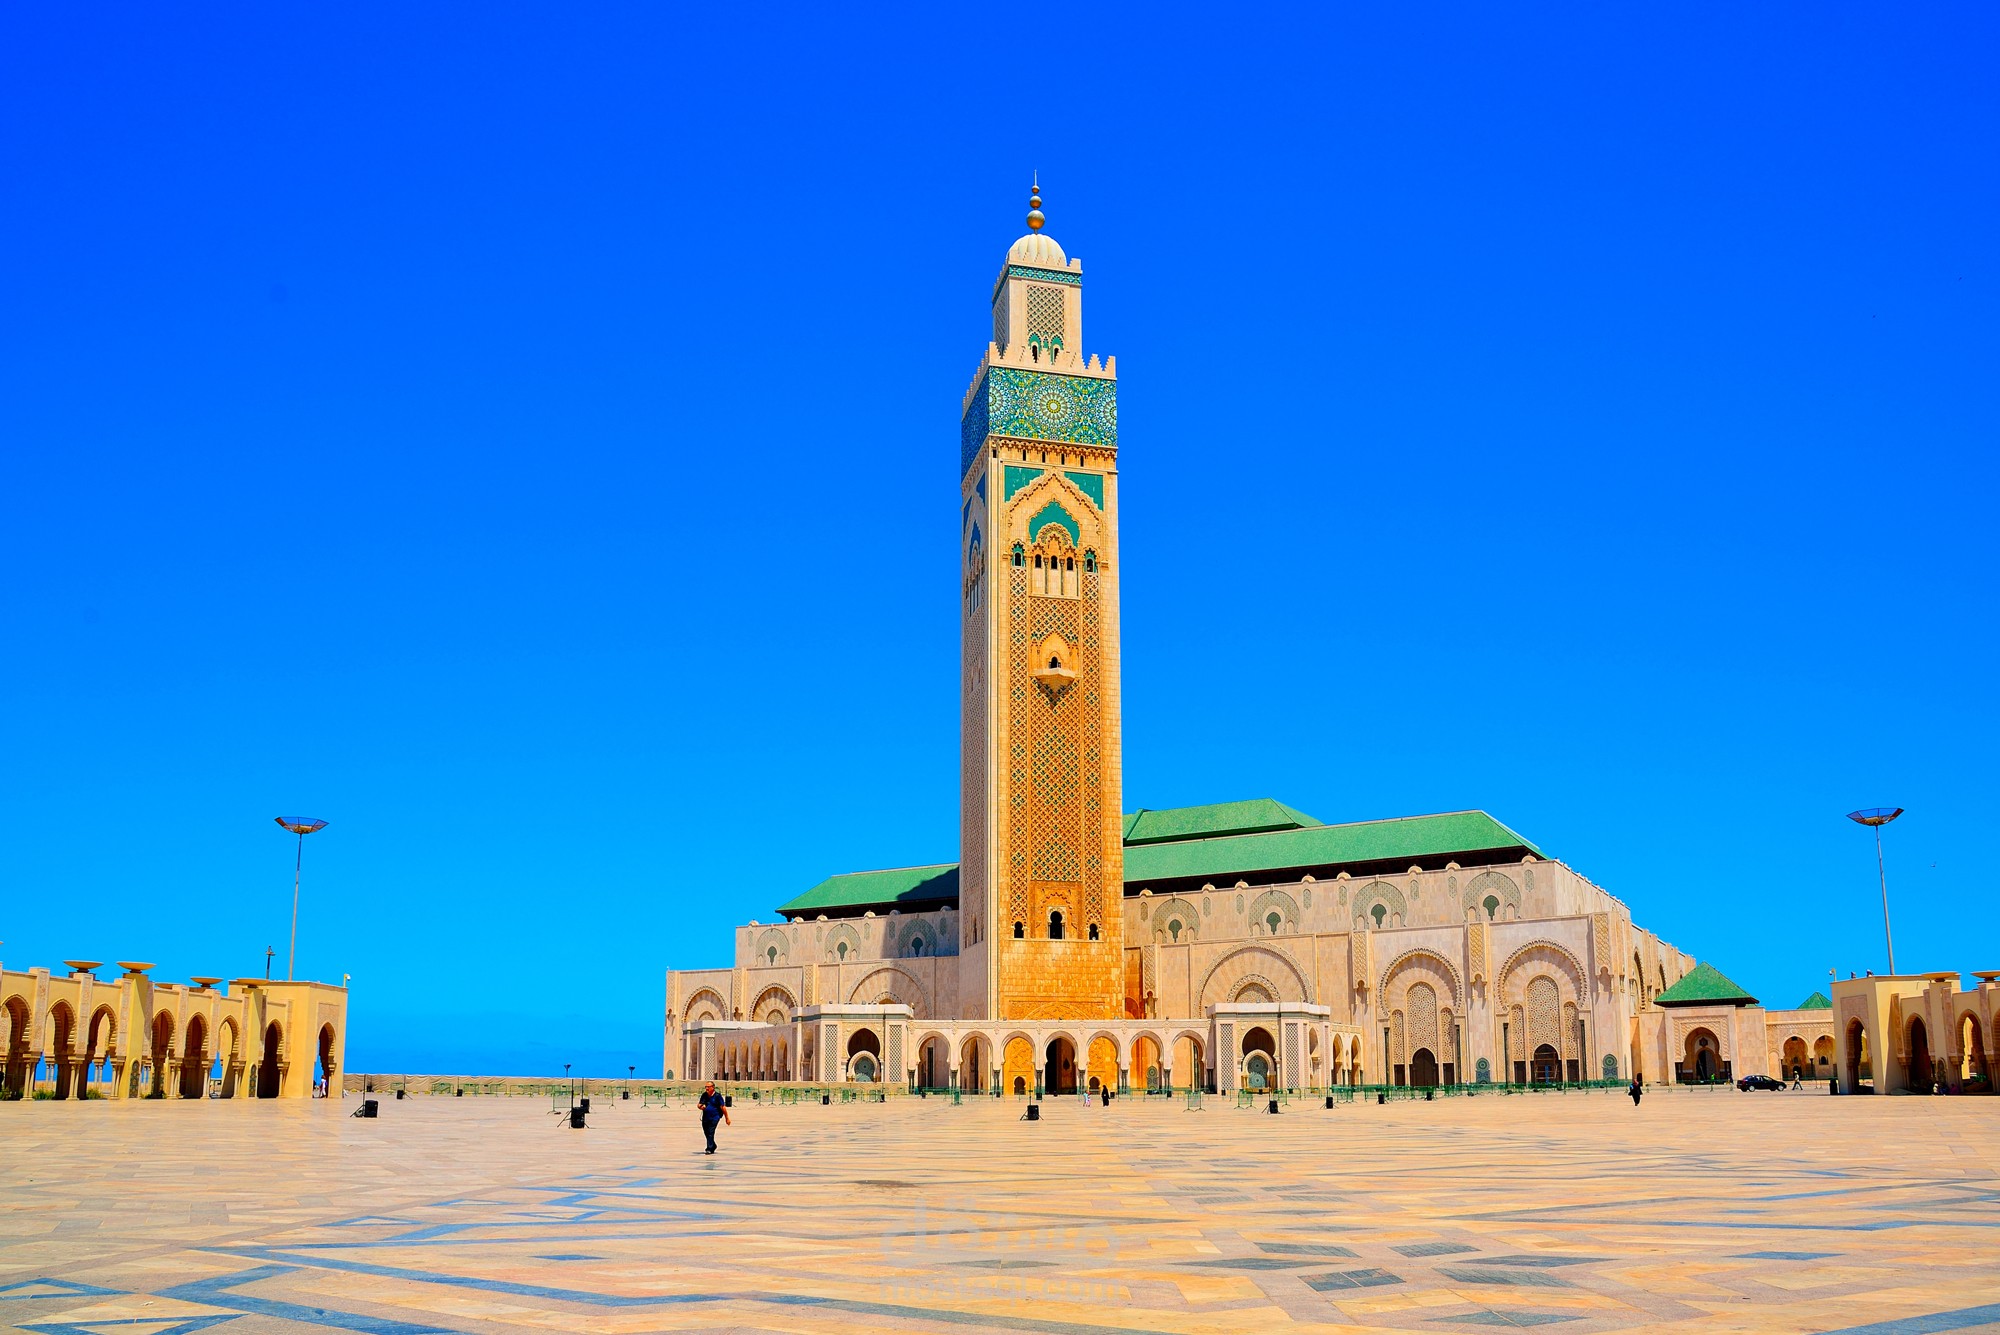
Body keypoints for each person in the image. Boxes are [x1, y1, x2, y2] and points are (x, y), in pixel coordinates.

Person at [699, 1081, 731, 1155]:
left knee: (711, 1132)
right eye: (705, 1087)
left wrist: (727, 1118)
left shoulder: (717, 1096)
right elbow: (700, 1104)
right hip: (705, 1117)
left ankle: (709, 1148)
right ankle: (713, 1145)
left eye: (708, 1087)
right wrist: (700, 1106)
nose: (706, 1088)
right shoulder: (704, 1095)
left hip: (715, 1117)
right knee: (706, 1132)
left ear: (713, 1087)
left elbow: (722, 1107)